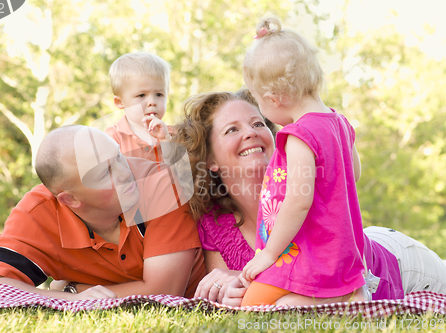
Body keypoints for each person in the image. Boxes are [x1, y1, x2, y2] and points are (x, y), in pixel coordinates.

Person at [175, 90, 446, 307]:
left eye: (258, 123)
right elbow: (232, 289)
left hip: (400, 265)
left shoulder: (304, 184)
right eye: (231, 130)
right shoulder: (216, 223)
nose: (250, 132)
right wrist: (229, 289)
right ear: (210, 160)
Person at [0, 125, 205, 300]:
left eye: (118, 156)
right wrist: (67, 297)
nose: (125, 172)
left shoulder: (159, 183)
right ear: (71, 199)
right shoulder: (38, 212)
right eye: (105, 173)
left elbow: (164, 293)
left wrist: (75, 289)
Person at [105, 52, 174, 162]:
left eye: (159, 94)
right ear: (119, 102)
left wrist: (166, 141)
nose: (152, 102)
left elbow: (186, 175)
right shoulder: (112, 138)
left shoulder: (174, 135)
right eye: (141, 95)